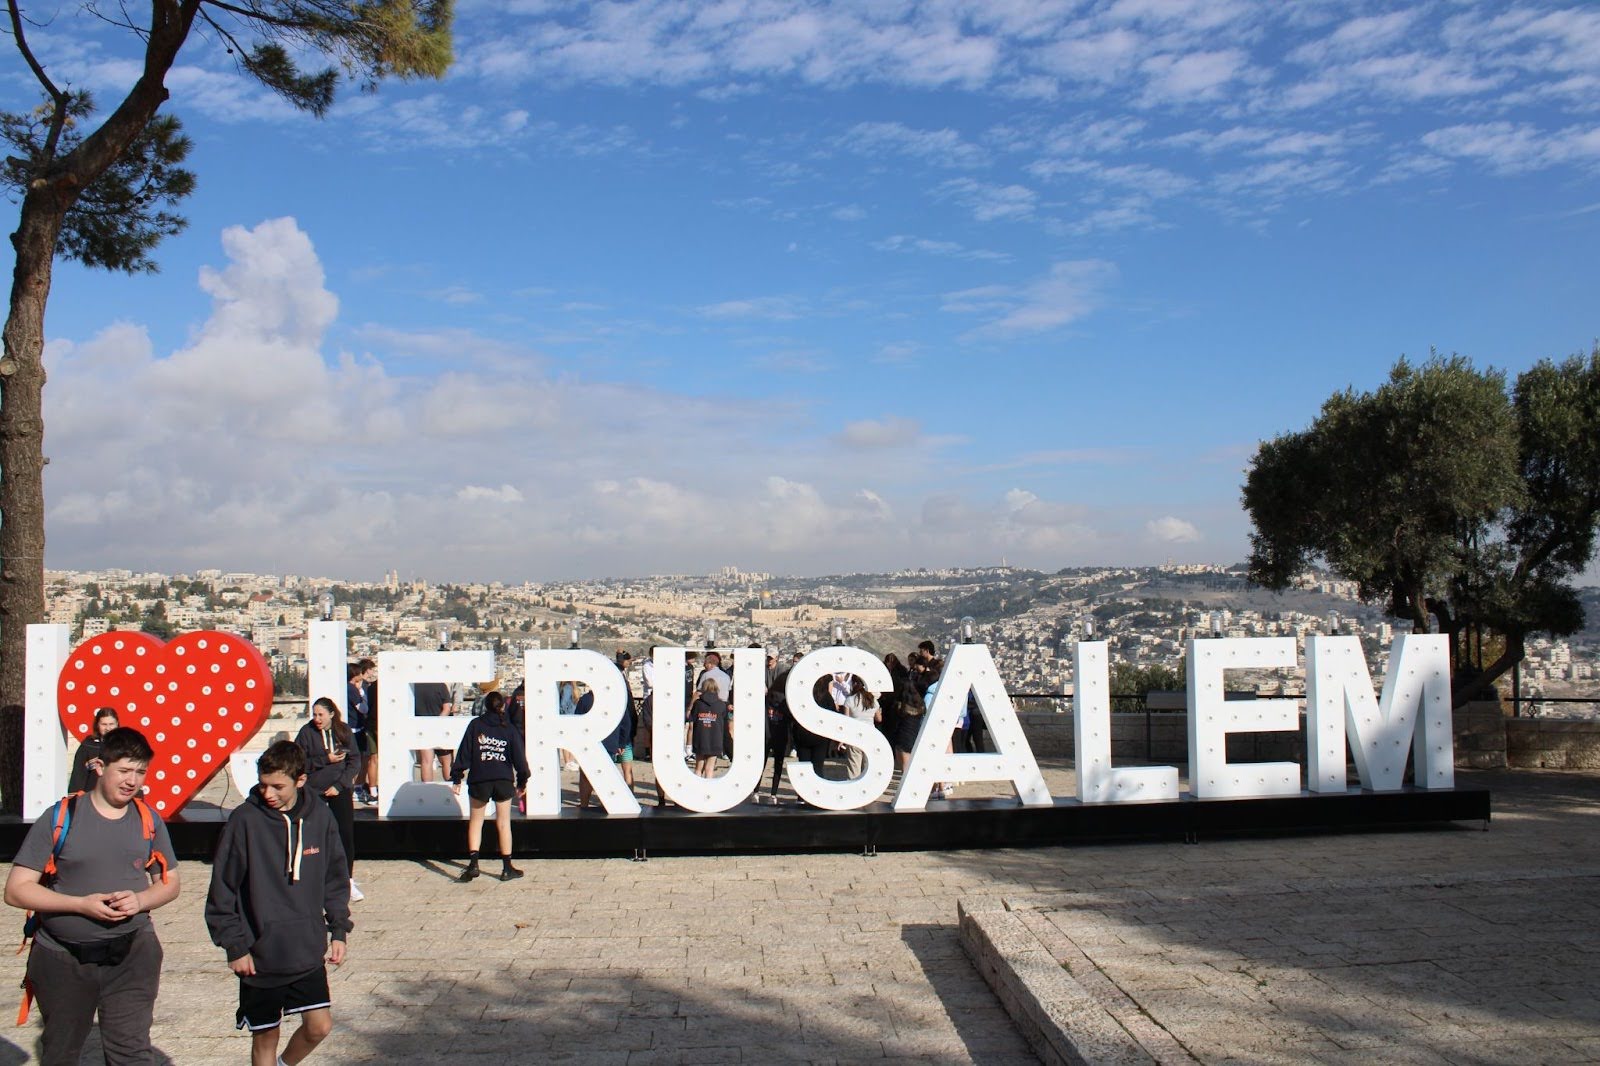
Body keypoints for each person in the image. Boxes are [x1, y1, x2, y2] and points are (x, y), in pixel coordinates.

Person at [6, 726, 180, 1065]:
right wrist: (80, 905)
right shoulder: (59, 818)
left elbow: (170, 882)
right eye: (125, 770)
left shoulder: (148, 819)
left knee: (131, 1054)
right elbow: (16, 890)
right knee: (61, 1054)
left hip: (133, 954)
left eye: (140, 772)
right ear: (99, 766)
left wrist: (141, 900)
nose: (133, 780)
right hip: (63, 960)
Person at [205, 740, 351, 1066]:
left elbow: (335, 878)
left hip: (306, 950)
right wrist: (235, 946)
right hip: (259, 957)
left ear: (300, 781)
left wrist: (338, 930)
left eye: (277, 786)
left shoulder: (321, 818)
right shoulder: (244, 821)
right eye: (263, 784)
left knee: (319, 1026)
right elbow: (222, 891)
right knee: (265, 1039)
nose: (268, 793)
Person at [450, 691, 529, 883]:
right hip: (502, 778)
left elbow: (464, 753)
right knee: (503, 823)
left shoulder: (476, 725)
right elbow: (519, 758)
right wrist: (522, 780)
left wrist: (457, 777)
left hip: (480, 777)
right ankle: (506, 866)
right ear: (502, 706)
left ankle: (474, 863)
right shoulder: (508, 728)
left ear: (485, 706)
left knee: (476, 822)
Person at [295, 697, 362, 903]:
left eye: (321, 715)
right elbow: (299, 761)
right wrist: (326, 760)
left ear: (331, 714)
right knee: (314, 836)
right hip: (314, 792)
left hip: (339, 790)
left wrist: (339, 785)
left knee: (345, 835)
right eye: (314, 715)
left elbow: (354, 760)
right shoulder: (306, 733)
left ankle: (347, 880)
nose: (317, 719)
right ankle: (315, 880)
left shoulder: (343, 731)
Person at [66, 706, 119, 794]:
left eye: (111, 724)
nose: (108, 728)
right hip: (92, 798)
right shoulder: (88, 746)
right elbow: (78, 776)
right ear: (97, 725)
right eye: (104, 724)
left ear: (117, 724)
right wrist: (76, 802)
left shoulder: (125, 745)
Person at [411, 680, 455, 782]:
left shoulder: (415, 686)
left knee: (426, 761)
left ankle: (427, 791)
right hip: (440, 728)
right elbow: (447, 709)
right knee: (446, 761)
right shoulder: (440, 685)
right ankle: (450, 789)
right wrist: (436, 724)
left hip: (422, 728)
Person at [842, 675, 881, 781]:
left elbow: (847, 720)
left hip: (854, 735)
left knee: (853, 767)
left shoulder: (850, 700)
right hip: (870, 734)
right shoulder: (872, 700)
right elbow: (879, 719)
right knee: (867, 766)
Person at [763, 669, 793, 801]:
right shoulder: (788, 701)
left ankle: (755, 792)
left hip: (767, 733)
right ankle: (773, 794)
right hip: (781, 734)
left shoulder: (767, 698)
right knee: (778, 765)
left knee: (761, 764)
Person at [687, 677, 726, 778]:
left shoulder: (698, 704)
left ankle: (697, 790)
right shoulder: (721, 704)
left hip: (700, 738)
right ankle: (708, 791)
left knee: (698, 768)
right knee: (709, 769)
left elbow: (691, 719)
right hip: (715, 739)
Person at [345, 661, 372, 805]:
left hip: (353, 727)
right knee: (360, 759)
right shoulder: (353, 690)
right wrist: (362, 693)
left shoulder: (347, 688)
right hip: (356, 728)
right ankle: (357, 788)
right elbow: (363, 708)